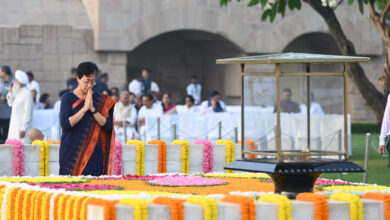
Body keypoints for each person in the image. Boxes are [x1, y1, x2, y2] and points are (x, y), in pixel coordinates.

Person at [59, 62, 116, 176]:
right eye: (87, 81)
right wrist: (84, 109)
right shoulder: (68, 98)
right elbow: (65, 124)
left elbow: (109, 126)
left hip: (94, 152)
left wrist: (93, 110)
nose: (90, 85)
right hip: (72, 151)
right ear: (78, 79)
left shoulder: (99, 99)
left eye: (92, 81)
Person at [6, 70, 34, 143]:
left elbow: (27, 113)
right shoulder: (18, 93)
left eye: (15, 80)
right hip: (14, 126)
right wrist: (10, 92)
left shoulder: (27, 94)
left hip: (21, 129)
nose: (13, 82)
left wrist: (23, 129)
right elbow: (10, 104)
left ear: (20, 82)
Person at [0, 65, 13, 144]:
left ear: (4, 73)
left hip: (8, 113)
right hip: (1, 111)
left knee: (6, 134)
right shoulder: (1, 82)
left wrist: (5, 98)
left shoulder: (13, 82)